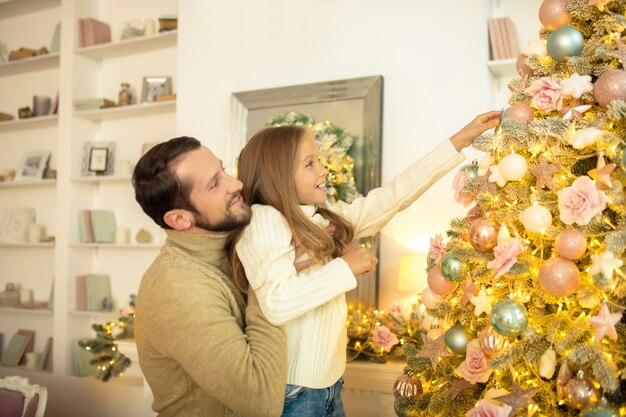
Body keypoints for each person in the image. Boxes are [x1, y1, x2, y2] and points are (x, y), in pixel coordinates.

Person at [229, 110, 502, 417]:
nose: (323, 170)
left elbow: (389, 198)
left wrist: (456, 142)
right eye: (310, 163)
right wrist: (346, 266)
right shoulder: (265, 220)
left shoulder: (318, 218)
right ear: (277, 175)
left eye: (319, 160)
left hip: (328, 387)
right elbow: (277, 301)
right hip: (293, 394)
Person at [132, 136, 288, 417]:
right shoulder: (176, 287)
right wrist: (268, 276)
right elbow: (261, 401)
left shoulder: (236, 246)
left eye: (223, 169)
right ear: (180, 220)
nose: (236, 184)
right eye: (215, 183)